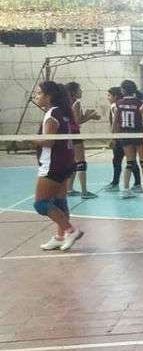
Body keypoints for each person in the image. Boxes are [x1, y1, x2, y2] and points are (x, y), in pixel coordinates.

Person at [33, 81, 84, 251]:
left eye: (39, 93)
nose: (36, 96)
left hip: (53, 164)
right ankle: (60, 237)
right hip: (66, 162)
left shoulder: (52, 113)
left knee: (41, 204)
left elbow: (49, 141)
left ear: (49, 96)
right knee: (59, 201)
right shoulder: (62, 112)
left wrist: (28, 140)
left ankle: (71, 230)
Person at [65, 81, 100, 199]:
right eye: (79, 89)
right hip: (74, 134)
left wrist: (87, 115)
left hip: (66, 134)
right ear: (73, 92)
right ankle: (84, 192)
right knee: (81, 162)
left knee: (73, 162)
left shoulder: (64, 103)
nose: (81, 91)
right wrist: (90, 116)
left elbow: (75, 119)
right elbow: (77, 121)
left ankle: (69, 189)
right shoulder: (76, 103)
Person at [115, 79, 143, 199]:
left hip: (125, 134)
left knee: (129, 162)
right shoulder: (139, 103)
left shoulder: (119, 103)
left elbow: (117, 121)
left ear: (123, 90)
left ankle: (126, 189)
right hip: (138, 133)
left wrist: (114, 136)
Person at [103, 86, 125, 192]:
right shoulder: (122, 104)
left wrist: (113, 138)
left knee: (117, 160)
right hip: (125, 135)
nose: (107, 98)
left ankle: (115, 183)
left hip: (119, 137)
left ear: (115, 96)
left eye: (109, 95)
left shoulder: (115, 106)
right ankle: (137, 183)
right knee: (130, 159)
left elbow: (115, 123)